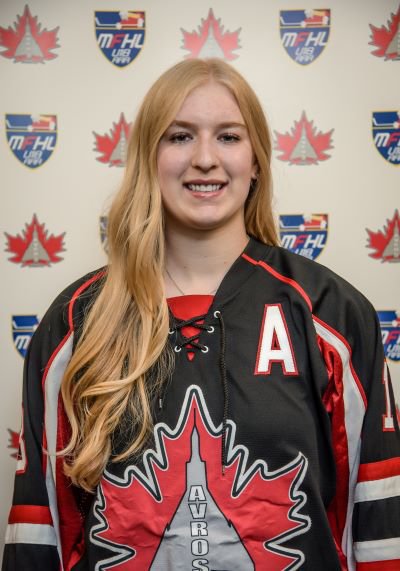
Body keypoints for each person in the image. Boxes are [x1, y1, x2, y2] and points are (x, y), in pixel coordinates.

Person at [2, 58, 400, 571]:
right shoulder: (78, 321)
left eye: (229, 137)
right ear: (148, 158)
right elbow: (41, 529)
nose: (206, 159)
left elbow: (377, 522)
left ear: (256, 161)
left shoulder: (330, 313)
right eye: (180, 137)